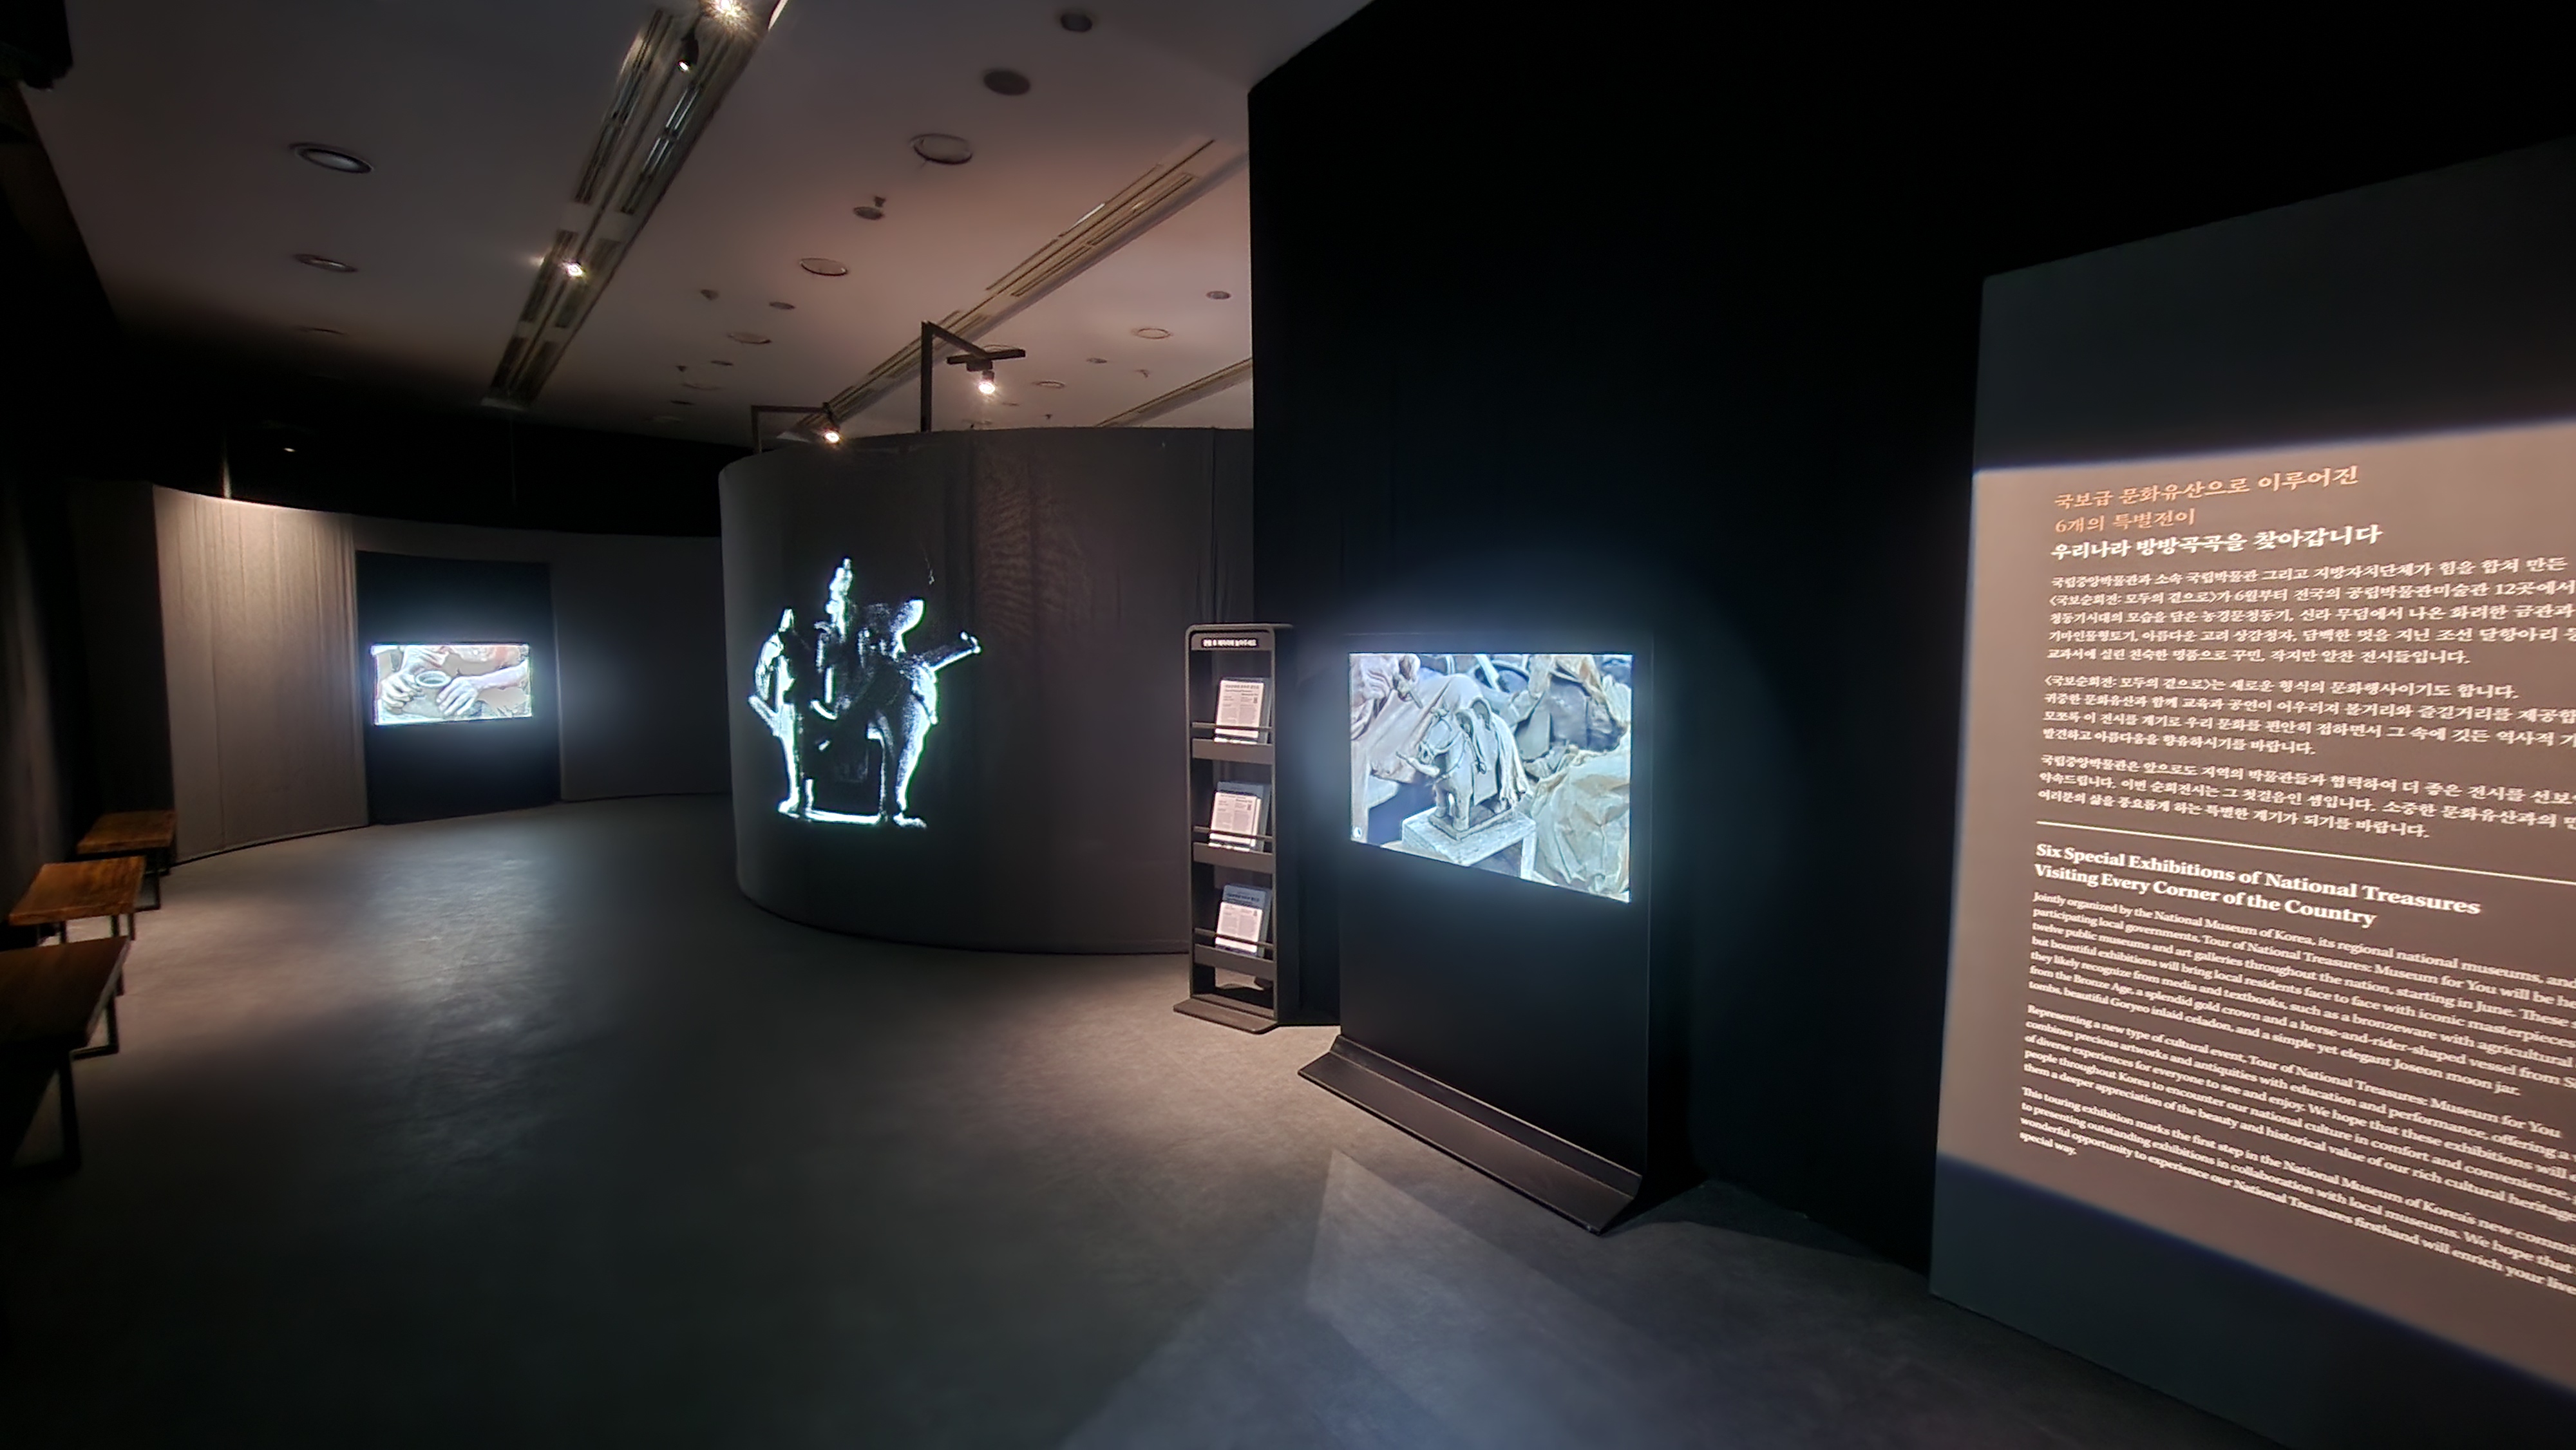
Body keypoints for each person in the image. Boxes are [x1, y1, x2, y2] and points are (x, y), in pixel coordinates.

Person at [377, 643, 531, 721]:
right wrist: (405, 676)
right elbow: (423, 652)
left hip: (515, 687)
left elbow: (538, 662)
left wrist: (483, 683)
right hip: (462, 682)